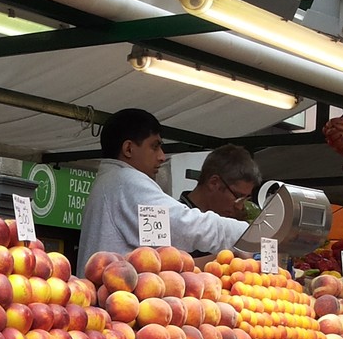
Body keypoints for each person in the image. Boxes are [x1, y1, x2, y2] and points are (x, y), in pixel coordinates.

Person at [76, 109, 249, 272]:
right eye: (154, 146)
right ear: (128, 149)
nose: (162, 157)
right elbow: (184, 225)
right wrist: (247, 233)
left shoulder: (111, 181)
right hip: (117, 300)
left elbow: (164, 246)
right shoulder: (126, 181)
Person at [180, 144, 262, 229]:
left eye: (245, 198)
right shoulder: (172, 220)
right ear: (214, 183)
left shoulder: (228, 222)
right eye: (238, 197)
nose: (240, 207)